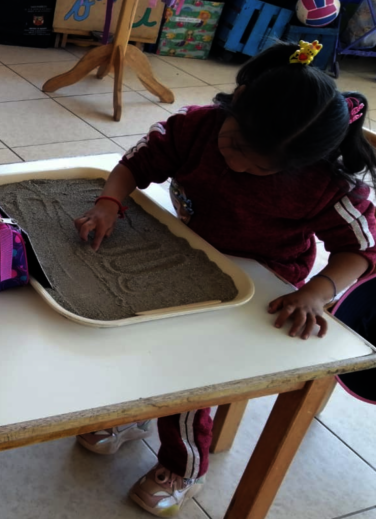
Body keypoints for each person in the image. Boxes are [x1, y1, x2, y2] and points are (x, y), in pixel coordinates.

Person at [72, 41, 376, 517]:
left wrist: (317, 293)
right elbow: (136, 163)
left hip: (266, 279)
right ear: (237, 99)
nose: (239, 164)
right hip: (189, 253)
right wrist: (109, 202)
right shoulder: (195, 127)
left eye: (261, 167)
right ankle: (134, 413)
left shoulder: (324, 180)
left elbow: (360, 250)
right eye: (234, 146)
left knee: (191, 372)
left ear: (297, 164)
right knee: (128, 326)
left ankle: (184, 466)